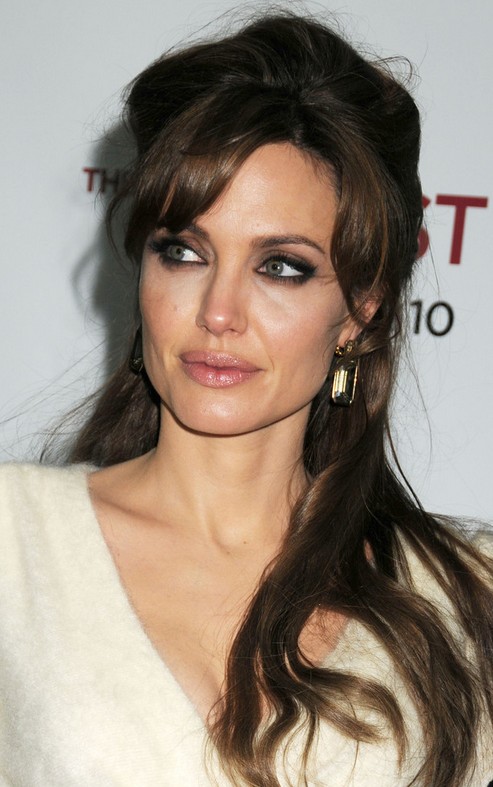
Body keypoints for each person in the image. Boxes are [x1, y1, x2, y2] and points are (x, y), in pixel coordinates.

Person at [1, 11, 492, 787]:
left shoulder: (465, 594)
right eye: (183, 252)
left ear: (359, 310)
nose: (218, 311)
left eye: (281, 267)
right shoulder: (14, 543)